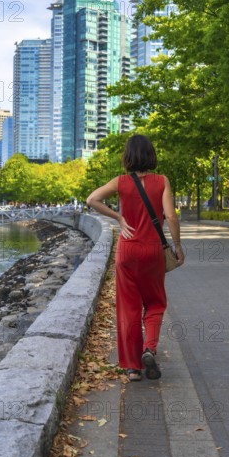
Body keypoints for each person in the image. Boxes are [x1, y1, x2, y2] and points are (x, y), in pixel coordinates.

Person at [86, 135, 185, 382]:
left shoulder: (120, 182)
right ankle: (149, 349)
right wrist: (178, 246)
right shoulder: (162, 181)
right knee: (155, 303)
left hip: (127, 250)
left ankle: (132, 368)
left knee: (128, 308)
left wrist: (118, 218)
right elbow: (171, 217)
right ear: (151, 155)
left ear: (127, 157)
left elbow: (92, 199)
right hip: (152, 251)